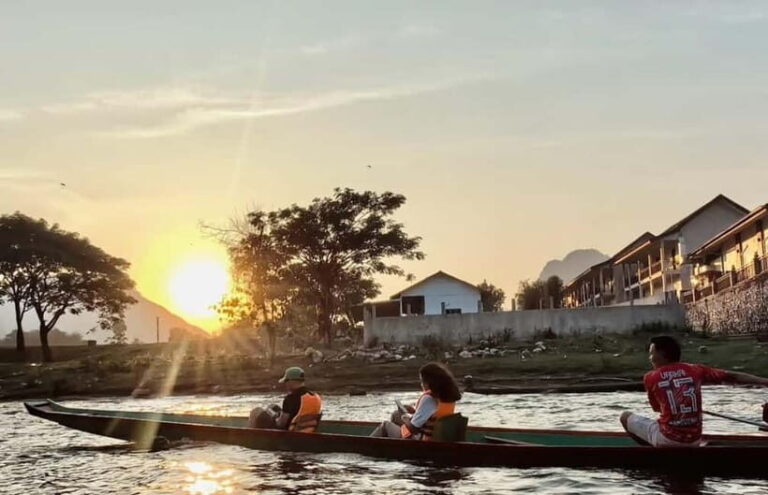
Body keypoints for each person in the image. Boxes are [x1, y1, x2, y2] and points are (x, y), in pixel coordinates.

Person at [620, 335, 768, 447]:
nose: (650, 358)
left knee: (625, 417)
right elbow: (732, 376)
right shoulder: (695, 370)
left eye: (652, 353)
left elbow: (657, 409)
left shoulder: (650, 377)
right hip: (694, 440)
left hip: (667, 440)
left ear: (662, 355)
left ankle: (654, 454)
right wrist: (764, 381)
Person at [370, 362, 462, 440]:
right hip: (435, 437)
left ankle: (368, 446)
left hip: (419, 440)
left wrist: (405, 417)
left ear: (429, 383)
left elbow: (414, 429)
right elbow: (430, 417)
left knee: (385, 425)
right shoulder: (448, 398)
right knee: (395, 415)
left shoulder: (428, 398)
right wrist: (414, 412)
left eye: (422, 381)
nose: (421, 385)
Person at [248, 366, 323, 432]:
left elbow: (281, 424)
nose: (285, 384)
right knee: (272, 407)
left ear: (291, 381)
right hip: (305, 430)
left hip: (288, 434)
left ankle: (249, 435)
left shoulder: (290, 399)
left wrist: (274, 418)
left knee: (256, 411)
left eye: (286, 381)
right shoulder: (315, 397)